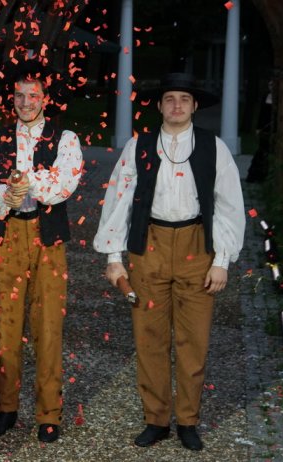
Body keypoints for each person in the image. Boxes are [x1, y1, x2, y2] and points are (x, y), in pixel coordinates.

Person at [93, 72, 246, 451]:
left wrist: (222, 259)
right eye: (170, 99)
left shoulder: (213, 147)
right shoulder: (139, 145)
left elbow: (228, 204)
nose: (177, 105)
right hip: (150, 246)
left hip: (196, 245)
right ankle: (156, 419)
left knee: (194, 340)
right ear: (160, 106)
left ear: (194, 106)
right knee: (150, 338)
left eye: (184, 99)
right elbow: (118, 200)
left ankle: (188, 420)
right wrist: (114, 256)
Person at [0, 58, 83, 443]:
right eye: (19, 95)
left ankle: (49, 413)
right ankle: (6, 408)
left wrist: (27, 183)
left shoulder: (66, 139)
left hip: (47, 238)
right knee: (6, 326)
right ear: (12, 97)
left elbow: (63, 186)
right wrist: (4, 197)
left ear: (45, 97)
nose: (25, 102)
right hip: (8, 237)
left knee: (48, 326)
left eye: (33, 95)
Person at [245, 81, 273, 182]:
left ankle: (265, 175)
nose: (271, 87)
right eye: (270, 85)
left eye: (272, 85)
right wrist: (258, 128)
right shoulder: (265, 96)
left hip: (271, 127)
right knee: (261, 149)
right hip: (263, 127)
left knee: (268, 150)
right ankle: (256, 176)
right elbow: (261, 112)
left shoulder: (278, 98)